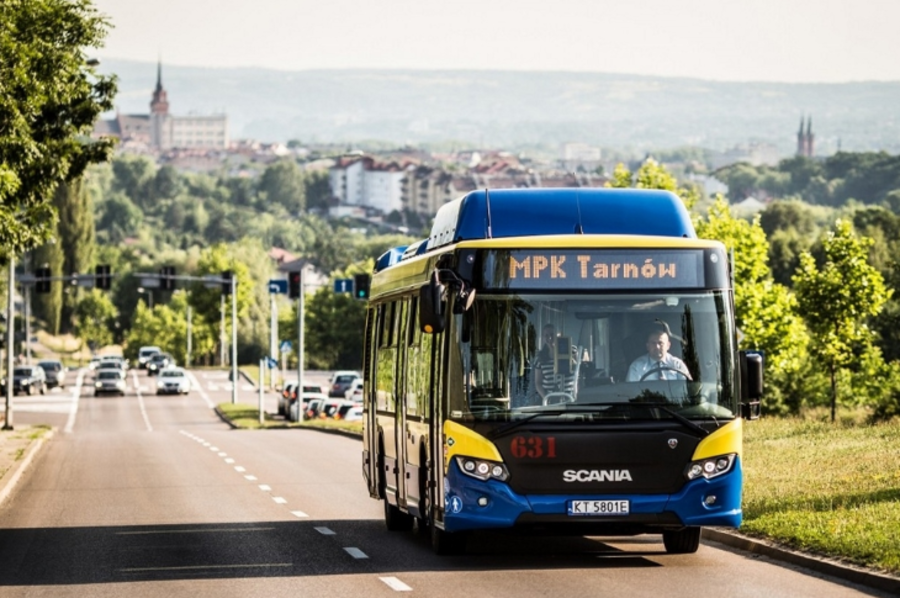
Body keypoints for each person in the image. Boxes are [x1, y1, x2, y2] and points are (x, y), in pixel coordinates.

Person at [533, 324, 577, 402]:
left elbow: (578, 373)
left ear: (558, 335)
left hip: (569, 398)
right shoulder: (540, 358)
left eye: (552, 335)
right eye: (546, 336)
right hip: (549, 398)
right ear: (543, 338)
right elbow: (538, 383)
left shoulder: (570, 350)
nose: (550, 338)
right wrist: (546, 398)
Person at [626, 329, 690, 382]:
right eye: (653, 343)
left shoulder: (677, 365)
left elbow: (689, 390)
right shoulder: (636, 367)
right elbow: (631, 393)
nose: (657, 347)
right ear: (648, 346)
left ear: (668, 345)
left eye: (660, 343)